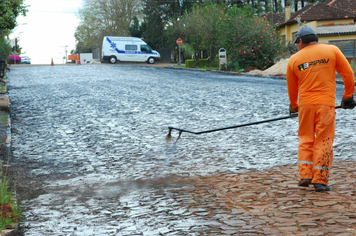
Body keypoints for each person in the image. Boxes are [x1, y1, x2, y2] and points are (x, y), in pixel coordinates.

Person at [286, 25, 355, 192]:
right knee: (323, 140)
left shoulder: (294, 60)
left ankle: (305, 175)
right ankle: (320, 180)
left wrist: (294, 106)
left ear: (301, 41)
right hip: (326, 106)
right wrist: (347, 97)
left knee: (305, 139)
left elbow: (292, 88)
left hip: (305, 107)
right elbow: (348, 75)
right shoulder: (332, 51)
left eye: (297, 43)